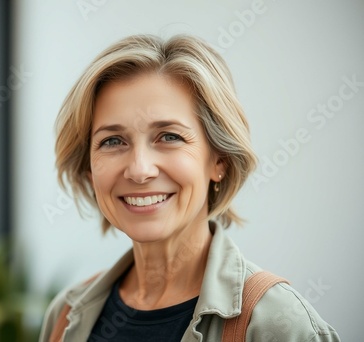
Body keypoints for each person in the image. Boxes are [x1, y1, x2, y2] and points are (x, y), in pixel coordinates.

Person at [39, 34, 340, 341]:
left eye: (169, 136)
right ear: (89, 171)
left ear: (219, 160)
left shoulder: (276, 324)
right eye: (112, 141)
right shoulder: (65, 315)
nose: (140, 170)